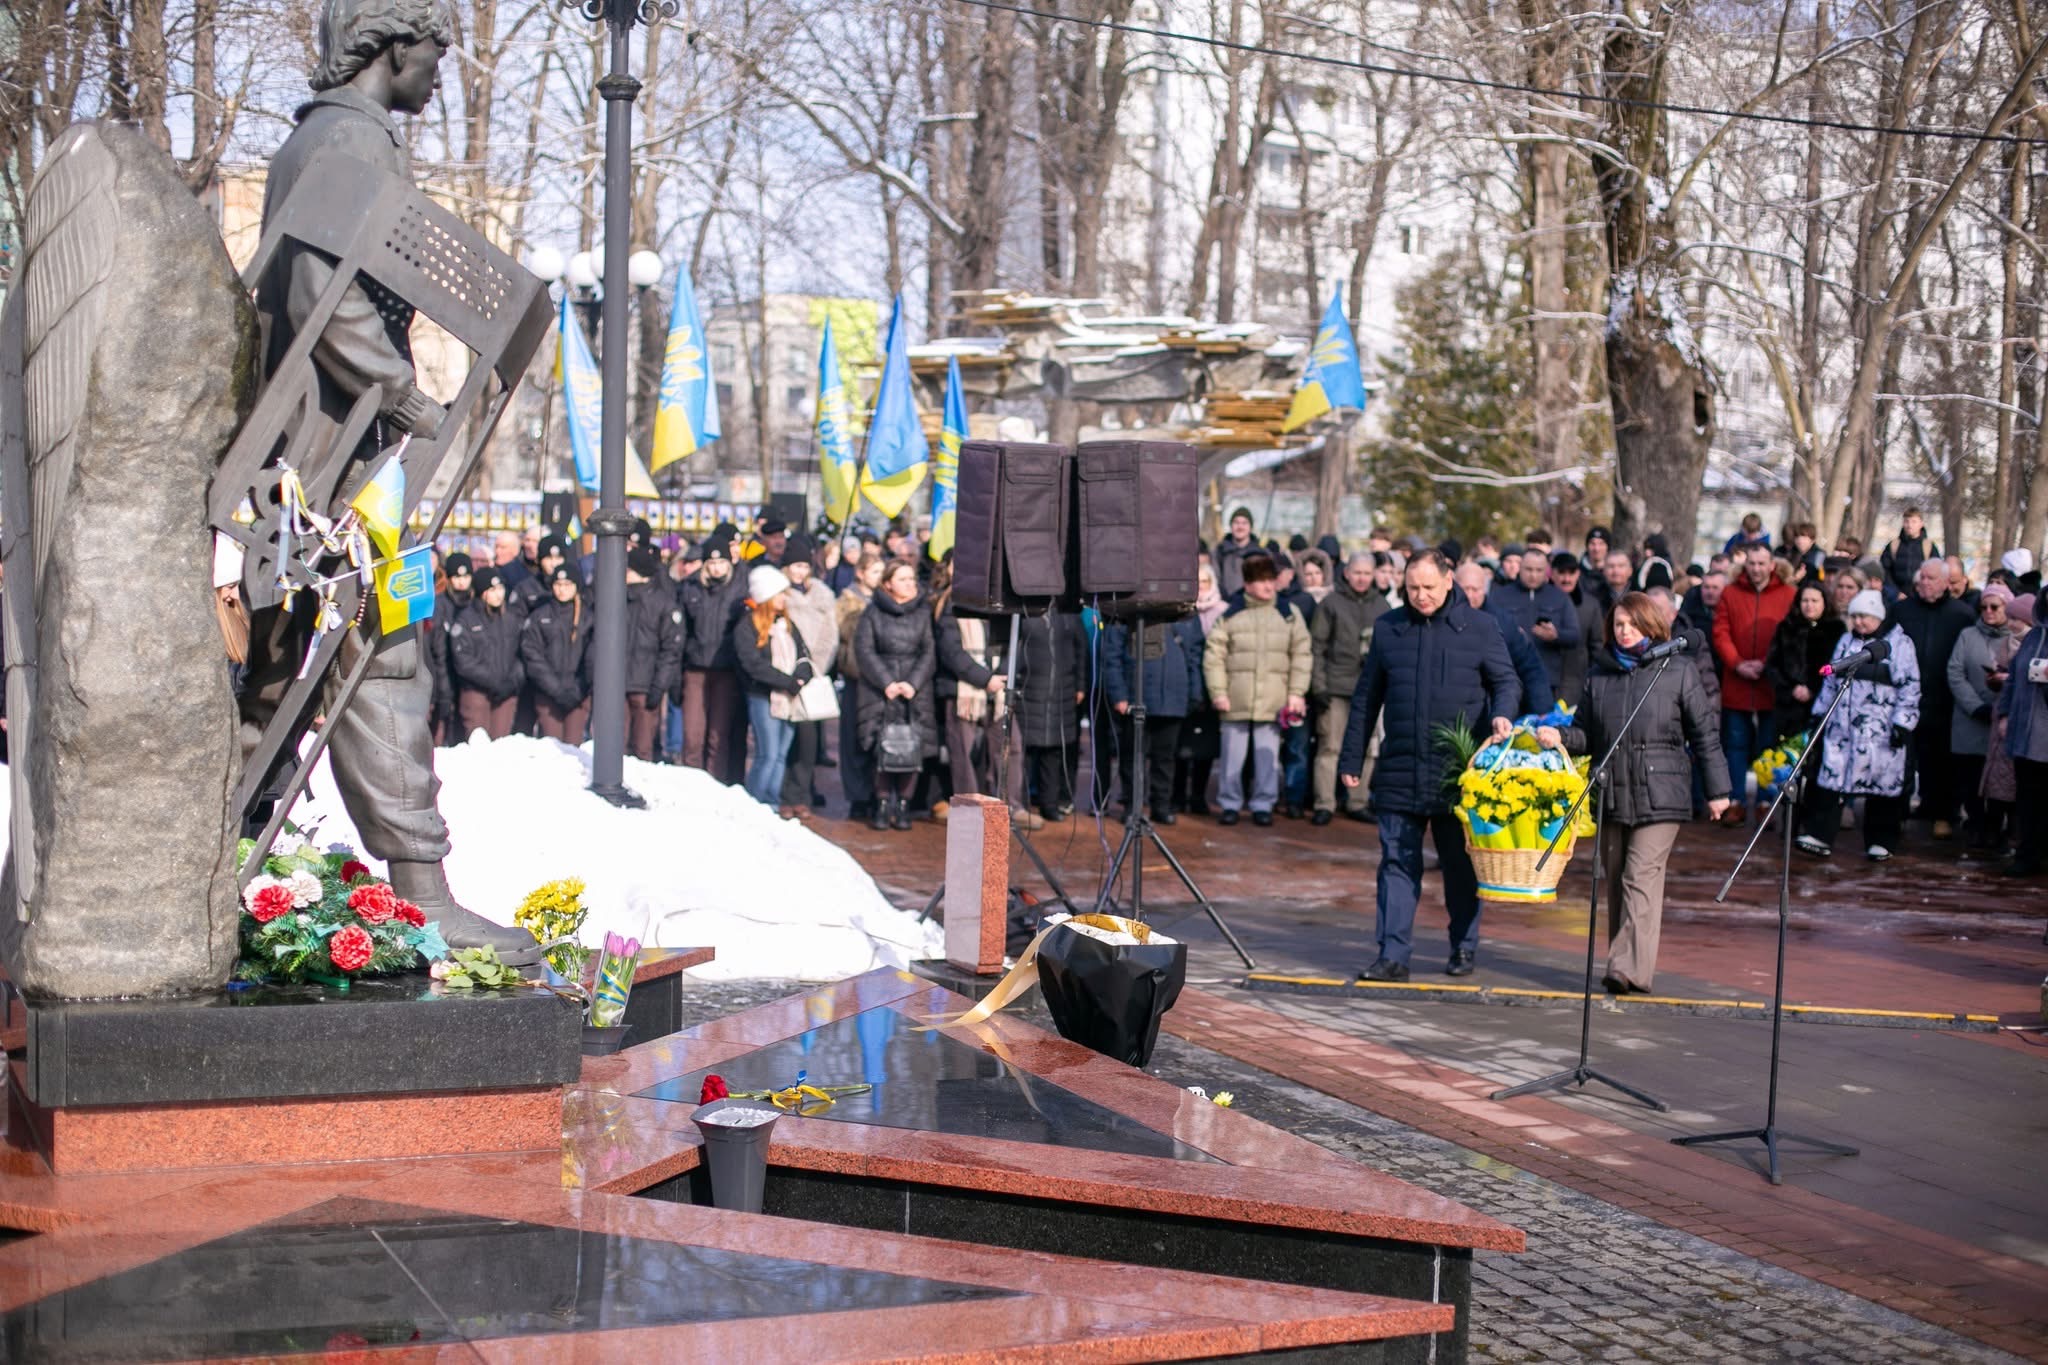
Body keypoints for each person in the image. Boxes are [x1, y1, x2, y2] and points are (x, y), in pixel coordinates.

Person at [1339, 550, 1520, 981]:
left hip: (1457, 773)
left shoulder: (1480, 627)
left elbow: (1506, 681)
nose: (1420, 596)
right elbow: (1367, 697)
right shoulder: (1388, 628)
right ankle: (1392, 955)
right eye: (1412, 588)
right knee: (1396, 864)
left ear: (1448, 580)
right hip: (1400, 767)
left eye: (1428, 588)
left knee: (1459, 867)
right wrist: (1352, 757)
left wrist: (1502, 714)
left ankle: (1463, 946)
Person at [1537, 593, 1729, 994]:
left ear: (1652, 626)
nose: (1625, 631)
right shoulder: (1600, 675)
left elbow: (1704, 734)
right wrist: (1561, 737)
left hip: (1663, 793)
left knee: (1639, 876)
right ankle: (1630, 969)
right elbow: (1587, 734)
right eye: (1619, 624)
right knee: (1617, 879)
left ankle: (1624, 968)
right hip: (1612, 791)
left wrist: (1718, 790)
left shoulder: (1677, 669)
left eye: (1633, 624)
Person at [1796, 590, 1920, 861]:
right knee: (1830, 780)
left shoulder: (1899, 644)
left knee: (1882, 787)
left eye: (1865, 616)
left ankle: (1881, 841)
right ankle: (1820, 834)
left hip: (1880, 731)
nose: (1859, 622)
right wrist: (1819, 714)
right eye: (1855, 616)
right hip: (1842, 728)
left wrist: (1903, 723)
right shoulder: (1846, 641)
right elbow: (1831, 681)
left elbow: (1910, 687)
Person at [1202, 553, 1311, 827]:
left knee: (1267, 757)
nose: (1268, 586)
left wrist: (1296, 692)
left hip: (1274, 699)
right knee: (1231, 758)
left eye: (1271, 580)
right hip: (1235, 698)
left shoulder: (1288, 613)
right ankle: (1230, 803)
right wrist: (1219, 692)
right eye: (1262, 580)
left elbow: (1301, 654)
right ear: (1248, 584)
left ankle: (1264, 804)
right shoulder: (1231, 613)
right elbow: (1214, 655)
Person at [932, 567, 1028, 824]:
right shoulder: (951, 604)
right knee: (962, 752)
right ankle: (969, 809)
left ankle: (1012, 805)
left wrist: (1001, 675)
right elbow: (951, 651)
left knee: (1011, 746)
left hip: (999, 690)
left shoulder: (1001, 602)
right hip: (963, 691)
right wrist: (984, 679)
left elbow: (1015, 641)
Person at [1891, 558, 1976, 838]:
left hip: (1944, 699)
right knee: (1904, 758)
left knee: (1941, 761)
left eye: (1931, 578)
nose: (1925, 583)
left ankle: (1943, 813)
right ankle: (1897, 813)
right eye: (1922, 578)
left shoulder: (1962, 614)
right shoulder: (1902, 610)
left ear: (1945, 582)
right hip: (1906, 697)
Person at [1712, 542, 1795, 823]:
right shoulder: (1730, 592)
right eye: (1752, 563)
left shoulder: (1788, 594)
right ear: (1745, 564)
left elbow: (1789, 635)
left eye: (1762, 563)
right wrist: (1737, 662)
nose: (1757, 569)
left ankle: (1765, 801)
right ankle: (1735, 800)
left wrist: (1767, 663)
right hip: (1738, 680)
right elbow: (1721, 632)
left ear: (1772, 565)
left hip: (1771, 682)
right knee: (1735, 744)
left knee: (1768, 746)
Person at [854, 561, 937, 831]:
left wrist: (912, 683)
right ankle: (881, 804)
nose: (910, 584)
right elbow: (864, 650)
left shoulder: (923, 613)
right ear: (888, 583)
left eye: (912, 579)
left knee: (912, 748)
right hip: (879, 691)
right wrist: (886, 682)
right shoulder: (872, 612)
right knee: (882, 747)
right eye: (903, 579)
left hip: (915, 691)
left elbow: (929, 651)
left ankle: (903, 805)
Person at [1101, 614, 1205, 826]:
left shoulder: (1186, 614)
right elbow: (1111, 656)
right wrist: (1118, 695)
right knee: (1133, 758)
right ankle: (1133, 807)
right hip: (1136, 697)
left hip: (1174, 697)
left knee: (1165, 759)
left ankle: (1161, 806)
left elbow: (1195, 656)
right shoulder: (1127, 612)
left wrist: (1194, 693)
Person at [1310, 553, 1390, 825]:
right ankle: (1324, 803)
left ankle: (1358, 801)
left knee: (1366, 748)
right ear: (1346, 573)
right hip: (1335, 687)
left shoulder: (1382, 606)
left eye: (1367, 573)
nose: (1362, 578)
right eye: (1357, 573)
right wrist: (1318, 686)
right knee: (1330, 747)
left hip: (1369, 690)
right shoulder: (1331, 603)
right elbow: (1317, 648)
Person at [731, 564, 815, 810]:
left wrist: (800, 677)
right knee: (767, 754)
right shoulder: (747, 626)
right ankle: (754, 803)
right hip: (764, 696)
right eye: (779, 593)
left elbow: (803, 655)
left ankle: (772, 801)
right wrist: (787, 682)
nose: (784, 598)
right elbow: (753, 664)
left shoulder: (787, 624)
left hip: (789, 698)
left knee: (780, 755)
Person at [1949, 583, 2020, 853]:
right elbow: (1955, 672)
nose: (1988, 611)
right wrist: (1976, 706)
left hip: (2003, 720)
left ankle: (1996, 828)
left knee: (2000, 781)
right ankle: (1976, 825)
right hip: (1971, 719)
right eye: (1984, 607)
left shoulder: (2016, 638)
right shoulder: (1967, 635)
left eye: (1995, 607)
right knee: (1970, 778)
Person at [777, 536, 838, 817]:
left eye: (804, 566)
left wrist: (814, 668)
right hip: (784, 674)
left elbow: (829, 636)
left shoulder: (822, 596)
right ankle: (782, 794)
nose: (800, 572)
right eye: (795, 566)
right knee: (783, 740)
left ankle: (800, 795)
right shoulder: (779, 594)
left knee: (807, 741)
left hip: (812, 675)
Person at [678, 537, 747, 781]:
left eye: (721, 563)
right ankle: (691, 782)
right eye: (712, 563)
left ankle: (716, 783)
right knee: (692, 735)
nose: (717, 568)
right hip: (695, 669)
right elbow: (682, 631)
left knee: (719, 736)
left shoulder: (738, 589)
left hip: (725, 670)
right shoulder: (690, 588)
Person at [1992, 592, 2048, 878]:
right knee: (2027, 799)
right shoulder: (2033, 637)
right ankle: (2027, 855)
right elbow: (2013, 679)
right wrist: (2004, 714)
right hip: (2025, 733)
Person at [1014, 609, 1088, 824]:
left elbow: (1081, 650)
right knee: (1025, 753)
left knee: (1054, 753)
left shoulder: (1069, 615)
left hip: (1062, 691)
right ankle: (1022, 804)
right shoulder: (1024, 613)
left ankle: (1050, 805)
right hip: (1029, 690)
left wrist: (1080, 684)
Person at [1458, 562, 1552, 716]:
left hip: (1494, 707)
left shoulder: (1503, 622)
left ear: (1484, 589)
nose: (1469, 595)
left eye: (1475, 589)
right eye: (1464, 589)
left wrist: (1542, 709)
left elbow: (1529, 666)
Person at [619, 545, 684, 763]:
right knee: (616, 747)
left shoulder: (662, 603)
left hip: (646, 686)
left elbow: (671, 650)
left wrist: (659, 686)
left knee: (642, 748)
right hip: (618, 686)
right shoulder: (618, 598)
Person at [1174, 559, 1228, 817]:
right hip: (1188, 683)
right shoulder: (1180, 610)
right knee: (1181, 745)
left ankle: (1198, 795)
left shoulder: (1224, 611)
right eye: (1197, 582)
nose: (1202, 586)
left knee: (1205, 747)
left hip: (1212, 685)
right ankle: (1177, 794)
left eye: (1205, 581)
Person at [1486, 548, 1581, 695]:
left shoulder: (1560, 597)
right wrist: (1509, 635)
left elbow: (1574, 635)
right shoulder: (1499, 596)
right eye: (1529, 569)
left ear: (1547, 571)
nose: (1533, 575)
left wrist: (1556, 636)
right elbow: (1485, 630)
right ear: (1520, 568)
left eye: (1539, 570)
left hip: (1546, 679)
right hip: (1509, 677)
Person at [836, 553, 886, 820]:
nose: (879, 577)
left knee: (875, 737)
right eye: (874, 571)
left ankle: (877, 795)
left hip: (879, 680)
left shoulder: (883, 601)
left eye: (881, 571)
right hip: (855, 676)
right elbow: (841, 636)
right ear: (861, 573)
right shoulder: (846, 601)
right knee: (852, 740)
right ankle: (857, 796)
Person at [1764, 580, 1843, 749]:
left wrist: (1812, 688)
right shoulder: (1786, 627)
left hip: (1822, 705)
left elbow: (1837, 666)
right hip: (1788, 707)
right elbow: (1773, 664)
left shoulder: (1836, 630)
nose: (1809, 605)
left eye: (1814, 601)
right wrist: (1791, 689)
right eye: (1805, 600)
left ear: (1824, 602)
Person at [447, 565, 524, 740]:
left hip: (506, 692)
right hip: (476, 691)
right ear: (482, 592)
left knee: (501, 743)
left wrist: (512, 681)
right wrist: (493, 681)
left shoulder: (511, 618)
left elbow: (521, 655)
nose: (498, 594)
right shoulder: (466, 619)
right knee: (479, 743)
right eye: (492, 590)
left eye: (500, 588)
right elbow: (463, 661)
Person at [520, 564, 591, 745]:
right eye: (558, 584)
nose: (562, 590)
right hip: (548, 694)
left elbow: (592, 656)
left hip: (578, 693)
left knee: (573, 746)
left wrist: (578, 689)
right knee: (552, 745)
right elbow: (532, 654)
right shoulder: (539, 616)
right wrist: (555, 689)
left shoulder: (588, 617)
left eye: (567, 585)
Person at [428, 551, 474, 745]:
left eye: (466, 576)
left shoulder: (476, 603)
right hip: (444, 673)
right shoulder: (440, 605)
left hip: (469, 677)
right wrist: (443, 688)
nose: (461, 582)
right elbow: (438, 651)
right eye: (456, 577)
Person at [1551, 551, 1605, 704]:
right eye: (1562, 573)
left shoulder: (1590, 605)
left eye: (1571, 573)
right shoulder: (1539, 602)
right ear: (1552, 574)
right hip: (1543, 686)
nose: (1566, 579)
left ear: (1578, 574)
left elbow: (1597, 647)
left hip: (1577, 686)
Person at [1879, 508, 1938, 601]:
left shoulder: (1929, 546)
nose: (1910, 525)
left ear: (1921, 523)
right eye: (1907, 521)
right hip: (1897, 599)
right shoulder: (1893, 546)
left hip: (1922, 598)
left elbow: (1936, 572)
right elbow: (1884, 571)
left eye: (1914, 522)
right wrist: (1896, 593)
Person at [1212, 507, 1258, 597]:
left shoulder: (1259, 553)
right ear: (1231, 526)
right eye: (1236, 522)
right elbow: (1215, 580)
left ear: (1250, 527)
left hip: (1252, 601)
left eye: (1244, 523)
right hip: (1226, 601)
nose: (1240, 527)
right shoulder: (1219, 552)